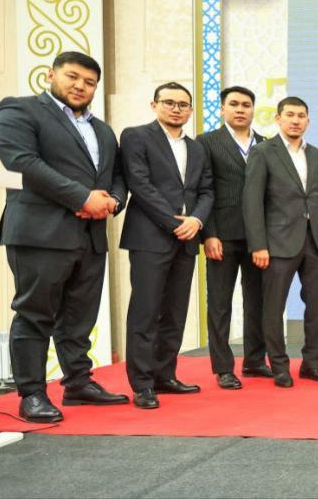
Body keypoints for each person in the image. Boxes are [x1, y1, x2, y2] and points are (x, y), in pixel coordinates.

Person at [0, 51, 128, 422]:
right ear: (51, 75)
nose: (80, 86)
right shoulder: (19, 110)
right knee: (35, 315)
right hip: (41, 233)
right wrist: (81, 198)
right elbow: (23, 163)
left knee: (80, 317)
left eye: (90, 82)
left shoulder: (103, 130)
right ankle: (32, 394)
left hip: (91, 235)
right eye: (72, 77)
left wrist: (112, 202)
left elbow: (117, 175)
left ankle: (78, 383)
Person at [119, 83, 214, 409]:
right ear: (154, 104)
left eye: (183, 104)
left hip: (187, 239)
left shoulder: (197, 148)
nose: (176, 109)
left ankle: (165, 375)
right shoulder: (136, 136)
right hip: (150, 238)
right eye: (169, 102)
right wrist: (176, 223)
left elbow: (207, 191)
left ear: (190, 110)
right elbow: (140, 185)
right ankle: (142, 384)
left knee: (175, 313)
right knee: (145, 313)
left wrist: (196, 220)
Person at [243, 96, 318, 388]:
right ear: (278, 118)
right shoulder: (263, 152)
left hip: (316, 242)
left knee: (317, 308)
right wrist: (258, 245)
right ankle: (279, 366)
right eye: (290, 115)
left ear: (308, 121)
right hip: (277, 244)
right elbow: (252, 202)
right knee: (273, 308)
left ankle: (312, 364)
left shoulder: (317, 155)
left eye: (301, 115)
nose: (295, 120)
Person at [199, 85, 269, 389]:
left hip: (259, 239)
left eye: (246, 105)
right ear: (223, 109)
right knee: (220, 304)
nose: (241, 109)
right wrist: (209, 234)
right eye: (234, 104)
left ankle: (255, 360)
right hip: (223, 236)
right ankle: (223, 368)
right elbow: (204, 189)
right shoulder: (206, 142)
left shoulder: (266, 144)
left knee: (258, 302)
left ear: (253, 110)